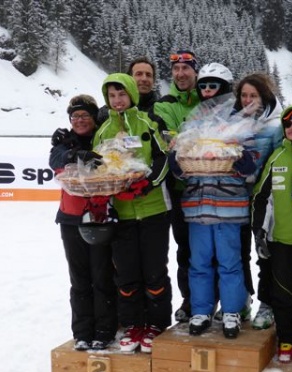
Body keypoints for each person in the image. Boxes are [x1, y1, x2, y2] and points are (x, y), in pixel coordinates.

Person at [168, 63, 256, 339]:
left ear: (225, 88)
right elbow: (181, 162)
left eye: (213, 86)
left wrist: (241, 159)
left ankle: (231, 310)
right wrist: (176, 160)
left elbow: (252, 162)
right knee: (199, 262)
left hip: (229, 205)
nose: (207, 91)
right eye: (203, 85)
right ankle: (201, 309)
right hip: (197, 206)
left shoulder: (241, 120)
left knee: (230, 261)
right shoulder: (193, 119)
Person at [94, 73, 171, 353]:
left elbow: (164, 157)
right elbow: (98, 167)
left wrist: (148, 182)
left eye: (122, 94)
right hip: (122, 213)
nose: (117, 101)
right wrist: (110, 183)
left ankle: (157, 325)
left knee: (154, 272)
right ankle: (133, 325)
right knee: (126, 275)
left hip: (154, 210)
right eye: (112, 96)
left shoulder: (148, 122)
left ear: (132, 95)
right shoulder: (103, 131)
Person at [49, 95, 118, 351]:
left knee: (102, 277)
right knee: (79, 280)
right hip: (70, 218)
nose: (79, 121)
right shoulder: (63, 141)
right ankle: (82, 332)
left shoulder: (105, 138)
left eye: (84, 116)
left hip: (100, 217)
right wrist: (77, 153)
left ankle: (104, 330)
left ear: (93, 118)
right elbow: (55, 161)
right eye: (74, 117)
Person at [252, 105, 292, 363]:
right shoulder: (276, 157)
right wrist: (259, 232)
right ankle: (287, 339)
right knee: (284, 294)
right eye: (287, 123)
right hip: (282, 240)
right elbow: (261, 197)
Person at [229, 72, 283, 330]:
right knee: (238, 253)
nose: (248, 100)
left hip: (265, 200)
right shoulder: (233, 123)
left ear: (264, 97)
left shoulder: (276, 125)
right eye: (244, 95)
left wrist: (256, 176)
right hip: (236, 197)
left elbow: (279, 163)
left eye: (254, 95)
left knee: (265, 254)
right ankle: (242, 299)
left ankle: (267, 304)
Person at [153, 50, 201, 323]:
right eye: (176, 70)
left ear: (195, 71)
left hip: (213, 188)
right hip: (180, 190)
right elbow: (169, 140)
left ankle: (228, 301)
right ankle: (190, 299)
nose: (181, 74)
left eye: (186, 68)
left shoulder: (208, 98)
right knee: (186, 250)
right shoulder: (165, 104)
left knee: (217, 250)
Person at [97, 56, 160, 122]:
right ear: (129, 78)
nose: (144, 79)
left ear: (153, 80)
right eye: (139, 74)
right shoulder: (107, 113)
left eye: (148, 75)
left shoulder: (162, 111)